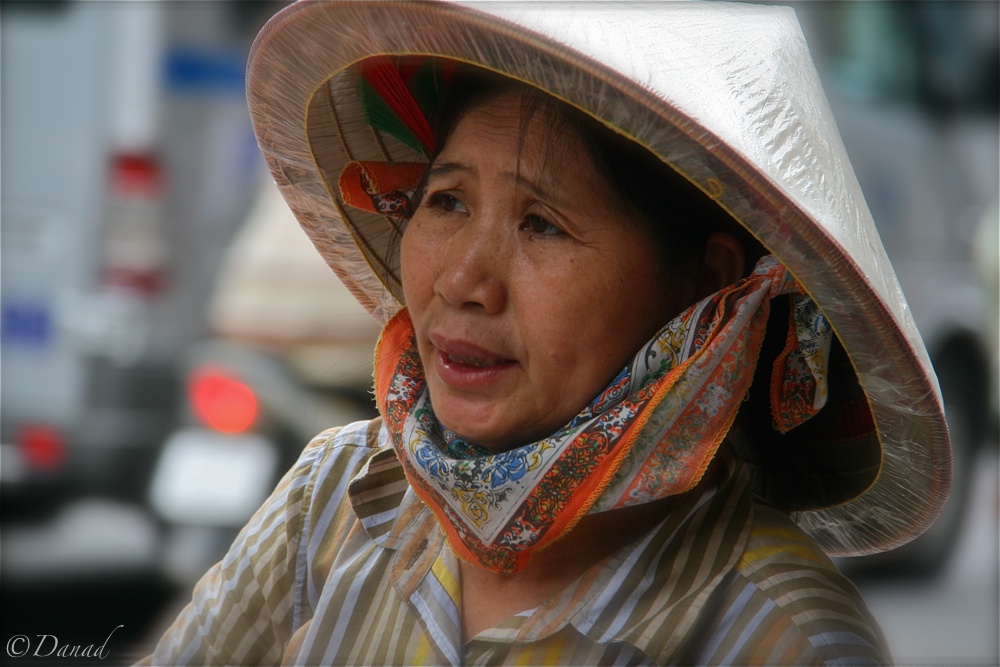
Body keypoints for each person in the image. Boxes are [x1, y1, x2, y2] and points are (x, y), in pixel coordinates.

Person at [142, 1, 952, 665]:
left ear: (705, 281)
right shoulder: (332, 503)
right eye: (447, 201)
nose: (463, 282)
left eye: (542, 224)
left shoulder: (779, 633)